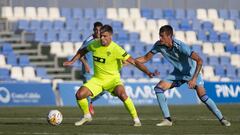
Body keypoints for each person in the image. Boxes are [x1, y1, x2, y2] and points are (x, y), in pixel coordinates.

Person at [136, 25, 231, 127]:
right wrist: (130, 61)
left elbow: (200, 60)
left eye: (162, 36)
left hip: (192, 73)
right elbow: (145, 58)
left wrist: (194, 79)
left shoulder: (180, 46)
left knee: (203, 96)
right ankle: (167, 120)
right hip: (178, 73)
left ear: (169, 36)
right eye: (159, 36)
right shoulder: (159, 45)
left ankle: (222, 119)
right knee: (158, 88)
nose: (160, 38)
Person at [63, 24, 155, 127]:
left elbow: (134, 61)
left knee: (123, 95)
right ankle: (87, 115)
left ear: (110, 36)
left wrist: (148, 72)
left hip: (113, 81)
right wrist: (72, 61)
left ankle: (136, 120)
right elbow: (82, 51)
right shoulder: (94, 44)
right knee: (79, 95)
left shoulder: (116, 49)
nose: (102, 38)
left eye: (105, 36)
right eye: (101, 35)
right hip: (98, 80)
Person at [78, 21, 104, 115]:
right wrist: (86, 65)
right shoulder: (88, 41)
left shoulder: (103, 40)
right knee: (88, 89)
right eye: (96, 30)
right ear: (93, 30)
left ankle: (90, 101)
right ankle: (87, 110)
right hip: (88, 70)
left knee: (104, 90)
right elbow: (79, 54)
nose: (98, 32)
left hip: (98, 71)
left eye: (100, 30)